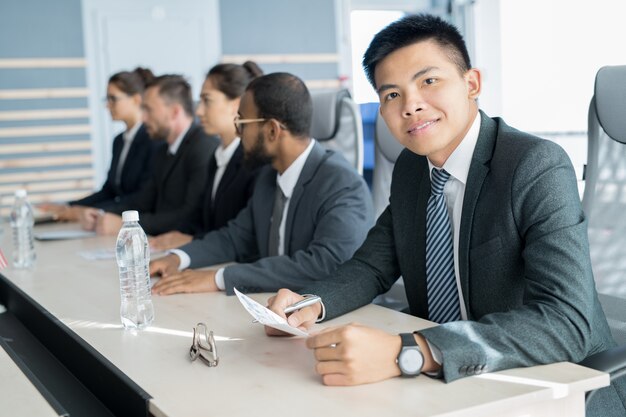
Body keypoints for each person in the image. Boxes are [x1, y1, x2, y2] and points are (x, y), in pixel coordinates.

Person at [264, 14, 625, 416]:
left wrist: (411, 351)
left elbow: (566, 320)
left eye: (428, 81)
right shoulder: (411, 169)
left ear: (472, 84)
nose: (411, 104)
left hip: (555, 387)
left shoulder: (535, 166)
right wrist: (311, 303)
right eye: (391, 95)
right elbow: (372, 266)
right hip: (452, 387)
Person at [149, 72, 374, 296]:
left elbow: (325, 265)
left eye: (242, 124)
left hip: (328, 316)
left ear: (272, 130)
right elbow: (234, 238)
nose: (238, 134)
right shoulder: (268, 176)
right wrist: (178, 257)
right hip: (275, 308)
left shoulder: (341, 184)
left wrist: (220, 278)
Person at [82, 74, 219, 236]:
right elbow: (143, 201)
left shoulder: (203, 147)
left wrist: (126, 224)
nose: (144, 117)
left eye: (148, 109)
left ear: (175, 112)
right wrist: (101, 213)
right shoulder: (163, 151)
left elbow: (190, 216)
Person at [149, 61, 264, 251]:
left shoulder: (254, 163)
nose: (198, 111)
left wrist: (194, 241)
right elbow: (203, 221)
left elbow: (245, 236)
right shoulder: (217, 157)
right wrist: (180, 236)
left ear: (237, 104)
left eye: (207, 100)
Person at [39, 68, 163, 221]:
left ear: (136, 100)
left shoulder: (153, 141)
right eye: (107, 99)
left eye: (113, 99)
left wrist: (89, 212)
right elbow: (109, 191)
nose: (107, 105)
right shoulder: (119, 141)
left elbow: (141, 199)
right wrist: (69, 207)